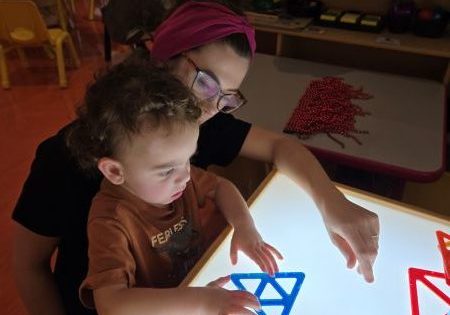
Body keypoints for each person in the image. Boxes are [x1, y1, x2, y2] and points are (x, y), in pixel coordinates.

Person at [12, 1, 380, 315]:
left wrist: (333, 203)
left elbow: (282, 148)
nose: (209, 106)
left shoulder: (201, 123)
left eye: (228, 97)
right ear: (163, 56)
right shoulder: (65, 159)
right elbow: (30, 267)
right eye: (206, 82)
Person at [65, 60, 281, 314]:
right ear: (115, 171)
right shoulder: (110, 220)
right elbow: (110, 303)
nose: (186, 177)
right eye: (167, 170)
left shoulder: (179, 178)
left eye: (188, 160)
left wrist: (244, 226)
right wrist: (202, 302)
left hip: (196, 287)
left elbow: (221, 187)